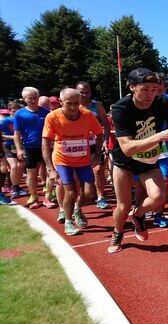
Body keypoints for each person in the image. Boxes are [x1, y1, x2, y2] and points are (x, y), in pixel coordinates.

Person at [108, 67, 168, 253]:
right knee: (123, 205)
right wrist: (159, 136)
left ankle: (137, 216)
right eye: (145, 89)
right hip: (125, 162)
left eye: (154, 90)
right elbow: (127, 148)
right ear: (132, 87)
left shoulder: (162, 103)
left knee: (158, 198)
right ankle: (117, 233)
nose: (150, 94)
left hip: (148, 160)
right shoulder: (121, 108)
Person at [41, 88, 103, 235]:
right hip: (62, 160)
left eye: (77, 103)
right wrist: (50, 169)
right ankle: (68, 222)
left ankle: (77, 209)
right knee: (71, 191)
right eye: (69, 104)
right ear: (61, 102)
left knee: (90, 193)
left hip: (83, 160)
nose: (74, 107)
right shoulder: (52, 117)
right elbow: (45, 144)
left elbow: (99, 134)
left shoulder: (87, 115)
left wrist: (97, 153)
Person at [13, 87, 57, 209]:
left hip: (47, 147)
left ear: (38, 97)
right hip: (30, 147)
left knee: (50, 172)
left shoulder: (46, 113)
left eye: (35, 97)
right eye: (30, 98)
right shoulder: (20, 114)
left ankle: (48, 197)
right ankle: (34, 197)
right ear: (24, 99)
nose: (33, 100)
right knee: (31, 174)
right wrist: (19, 150)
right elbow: (17, 134)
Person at [76, 81, 111, 209]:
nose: (85, 95)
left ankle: (101, 197)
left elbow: (106, 124)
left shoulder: (97, 105)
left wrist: (105, 140)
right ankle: (82, 197)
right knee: (80, 172)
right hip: (77, 144)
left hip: (95, 143)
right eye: (81, 92)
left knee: (98, 169)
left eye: (87, 92)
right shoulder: (73, 106)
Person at [0, 102, 28, 199]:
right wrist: (13, 137)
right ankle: (13, 188)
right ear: (10, 111)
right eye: (13, 111)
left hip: (20, 146)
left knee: (21, 166)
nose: (15, 113)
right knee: (14, 167)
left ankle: (16, 186)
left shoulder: (22, 120)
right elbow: (1, 136)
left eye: (17, 111)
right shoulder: (4, 121)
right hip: (8, 146)